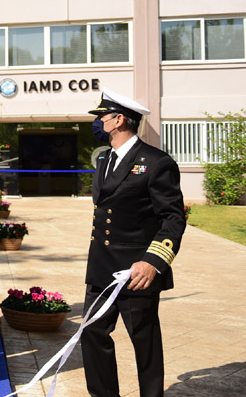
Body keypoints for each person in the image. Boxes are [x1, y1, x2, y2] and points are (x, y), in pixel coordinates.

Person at [82, 88, 186, 397]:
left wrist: (153, 262)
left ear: (119, 120)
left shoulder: (155, 162)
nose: (98, 121)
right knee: (93, 335)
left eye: (102, 116)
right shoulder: (105, 159)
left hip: (136, 272)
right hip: (102, 269)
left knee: (145, 341)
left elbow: (173, 218)